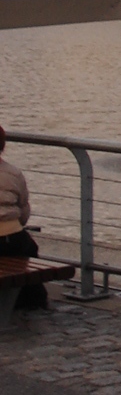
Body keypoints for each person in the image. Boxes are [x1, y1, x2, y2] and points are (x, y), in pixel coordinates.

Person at [0, 125, 48, 311]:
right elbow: (23, 208)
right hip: (12, 237)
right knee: (29, 249)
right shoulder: (13, 173)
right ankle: (30, 298)